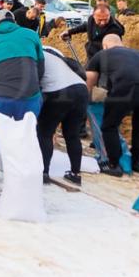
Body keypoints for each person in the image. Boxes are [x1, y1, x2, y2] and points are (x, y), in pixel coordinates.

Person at [86, 34, 139, 176]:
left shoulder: (102, 54)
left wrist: (86, 99)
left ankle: (113, 164)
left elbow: (89, 81)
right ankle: (137, 163)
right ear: (121, 43)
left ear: (105, 45)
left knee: (109, 126)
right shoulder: (137, 53)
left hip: (127, 88)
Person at [0, 9, 45, 170]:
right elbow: (41, 67)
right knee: (28, 134)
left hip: (2, 95)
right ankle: (25, 172)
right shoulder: (32, 35)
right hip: (31, 95)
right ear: (14, 21)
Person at [37, 46, 88, 185]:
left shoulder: (36, 55)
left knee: (45, 132)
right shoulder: (58, 59)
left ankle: (43, 172)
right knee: (72, 135)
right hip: (82, 90)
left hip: (59, 91)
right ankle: (75, 174)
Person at [60, 4, 125, 61]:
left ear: (109, 15)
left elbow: (113, 49)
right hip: (91, 56)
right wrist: (69, 32)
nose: (102, 23)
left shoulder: (114, 29)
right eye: (99, 20)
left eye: (106, 19)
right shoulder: (91, 19)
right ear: (94, 15)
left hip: (106, 60)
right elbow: (86, 26)